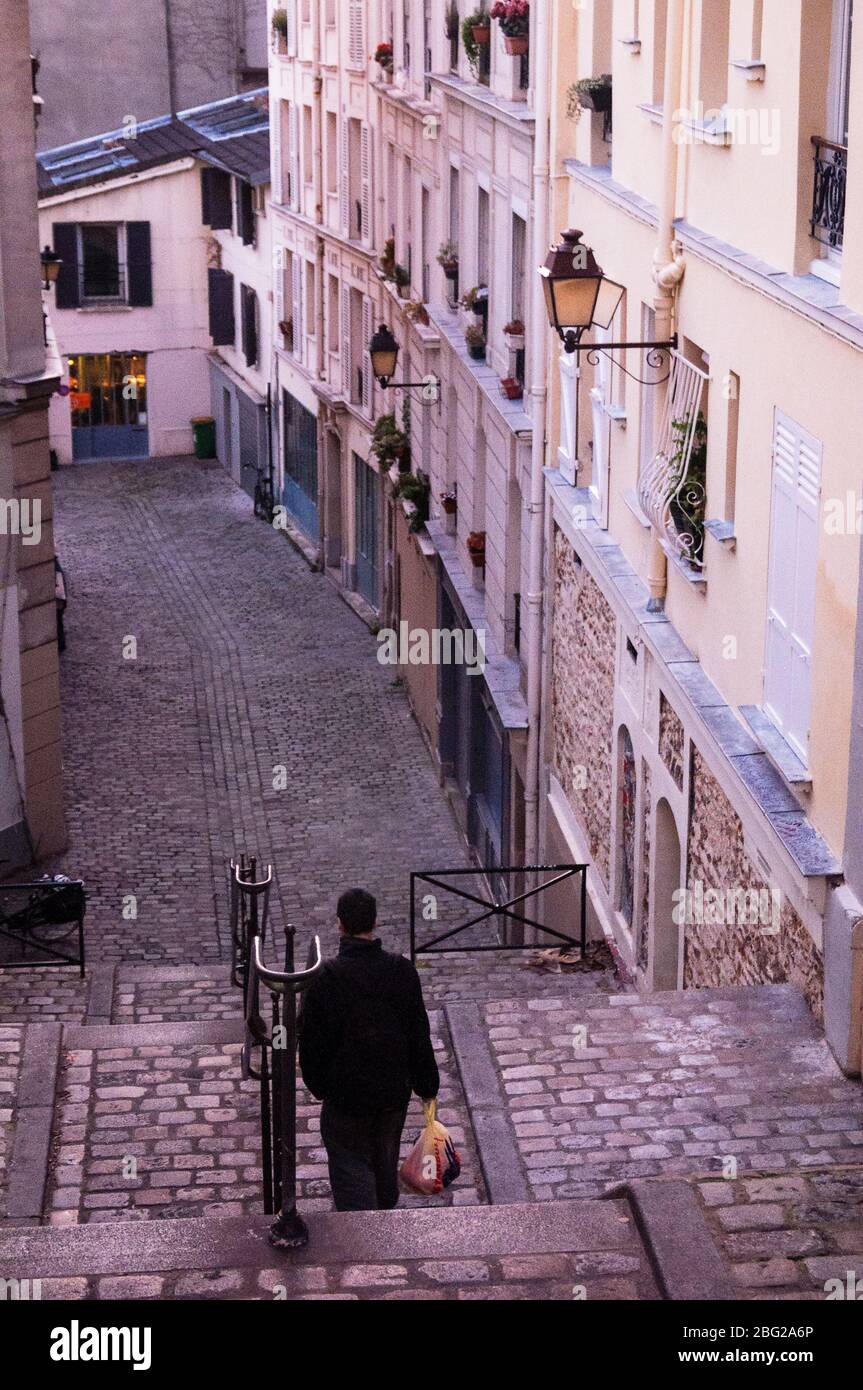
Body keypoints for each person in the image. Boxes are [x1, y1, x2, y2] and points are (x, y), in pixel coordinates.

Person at [298, 887, 439, 1212]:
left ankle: (365, 1236)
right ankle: (384, 1222)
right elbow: (418, 1032)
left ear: (340, 926)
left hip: (346, 1096)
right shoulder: (401, 971)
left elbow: (312, 1041)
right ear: (374, 923)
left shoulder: (325, 980)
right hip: (392, 1094)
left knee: (350, 1167)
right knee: (384, 1163)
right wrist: (427, 1086)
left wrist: (319, 1085)